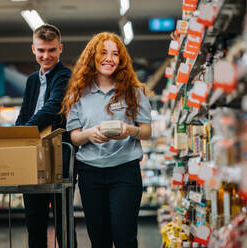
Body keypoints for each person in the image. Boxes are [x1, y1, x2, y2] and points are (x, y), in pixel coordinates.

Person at [61, 32, 152, 248]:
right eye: (104, 53)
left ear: (121, 60)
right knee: (99, 239)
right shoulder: (77, 94)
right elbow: (74, 137)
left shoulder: (134, 91)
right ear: (93, 57)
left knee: (124, 238)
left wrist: (129, 130)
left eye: (115, 54)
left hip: (125, 172)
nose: (109, 59)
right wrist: (88, 134)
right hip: (90, 173)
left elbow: (146, 131)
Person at [15, 23, 77, 248]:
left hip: (59, 157)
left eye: (51, 50)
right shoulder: (32, 80)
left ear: (60, 48)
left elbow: (52, 108)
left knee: (63, 222)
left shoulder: (65, 76)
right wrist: (16, 136)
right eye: (41, 50)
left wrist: (25, 132)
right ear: (33, 49)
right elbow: (24, 112)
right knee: (34, 221)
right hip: (33, 158)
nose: (46, 55)